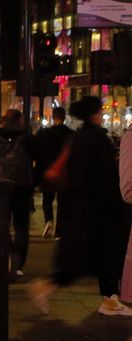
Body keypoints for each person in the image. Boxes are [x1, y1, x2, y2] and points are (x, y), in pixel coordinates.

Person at [29, 96, 131, 317]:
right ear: (94, 113)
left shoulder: (80, 137)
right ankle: (46, 286)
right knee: (91, 256)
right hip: (96, 209)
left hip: (85, 207)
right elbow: (98, 176)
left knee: (95, 256)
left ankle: (109, 298)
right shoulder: (94, 139)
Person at [0, 110, 36, 277]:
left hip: (1, 187)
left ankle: (5, 256)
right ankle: (19, 262)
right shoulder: (27, 138)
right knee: (21, 227)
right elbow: (36, 161)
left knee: (2, 225)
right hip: (22, 188)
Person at [29, 105, 72, 238]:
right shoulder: (70, 134)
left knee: (47, 199)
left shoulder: (44, 133)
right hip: (65, 173)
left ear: (53, 117)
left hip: (48, 171)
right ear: (64, 118)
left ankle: (49, 221)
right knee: (63, 201)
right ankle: (60, 228)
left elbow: (37, 152)